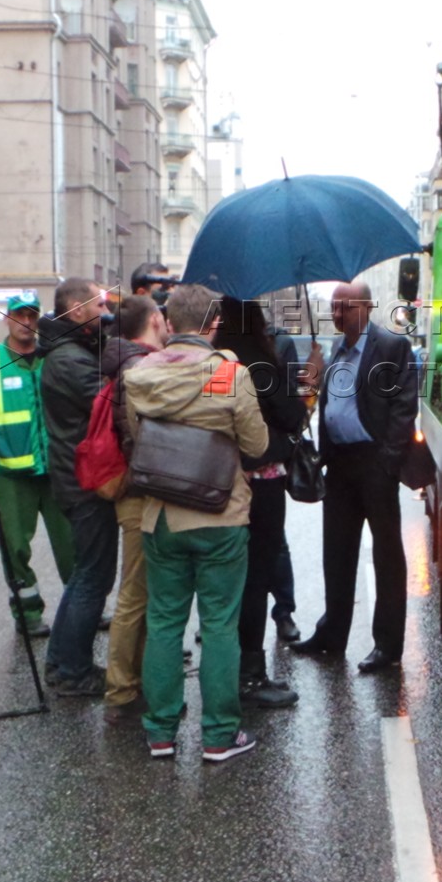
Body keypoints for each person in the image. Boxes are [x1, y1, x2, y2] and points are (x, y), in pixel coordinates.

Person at [123, 284, 268, 762]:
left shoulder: (141, 372)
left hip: (160, 513)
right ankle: (218, 736)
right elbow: (256, 444)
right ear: (214, 324)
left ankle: (160, 731)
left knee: (164, 622)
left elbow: (135, 434)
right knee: (220, 624)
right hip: (218, 511)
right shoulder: (225, 373)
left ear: (168, 320)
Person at [294, 282, 421, 674]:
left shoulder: (390, 346)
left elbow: (404, 406)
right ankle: (332, 635)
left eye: (346, 308)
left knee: (386, 556)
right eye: (334, 308)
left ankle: (387, 646)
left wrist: (388, 461)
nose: (338, 314)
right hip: (341, 466)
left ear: (366, 307)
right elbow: (331, 404)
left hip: (374, 464)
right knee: (337, 553)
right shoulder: (335, 350)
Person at [212, 296, 308, 709]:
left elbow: (216, 414)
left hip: (222, 482)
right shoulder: (258, 359)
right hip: (262, 483)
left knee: (229, 578)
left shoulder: (219, 362)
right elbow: (291, 415)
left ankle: (227, 668)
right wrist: (303, 389)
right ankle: (251, 676)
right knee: (257, 576)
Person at [0, 295, 72, 637]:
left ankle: (82, 609)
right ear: (7, 319)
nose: (26, 322)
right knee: (15, 548)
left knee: (73, 544)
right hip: (12, 476)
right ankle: (27, 615)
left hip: (56, 471)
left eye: (32, 315)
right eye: (19, 315)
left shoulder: (51, 358)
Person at [37, 276, 118, 695]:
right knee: (93, 577)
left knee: (85, 575)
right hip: (85, 482)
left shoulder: (70, 351)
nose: (105, 314)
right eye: (99, 307)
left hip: (75, 477)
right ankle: (72, 671)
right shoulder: (70, 359)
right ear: (78, 309)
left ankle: (64, 663)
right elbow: (109, 404)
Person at [97, 294, 167, 724]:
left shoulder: (125, 360)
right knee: (135, 593)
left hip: (136, 489)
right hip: (139, 492)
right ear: (155, 320)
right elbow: (139, 434)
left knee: (140, 591)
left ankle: (132, 681)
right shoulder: (137, 366)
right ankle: (121, 692)